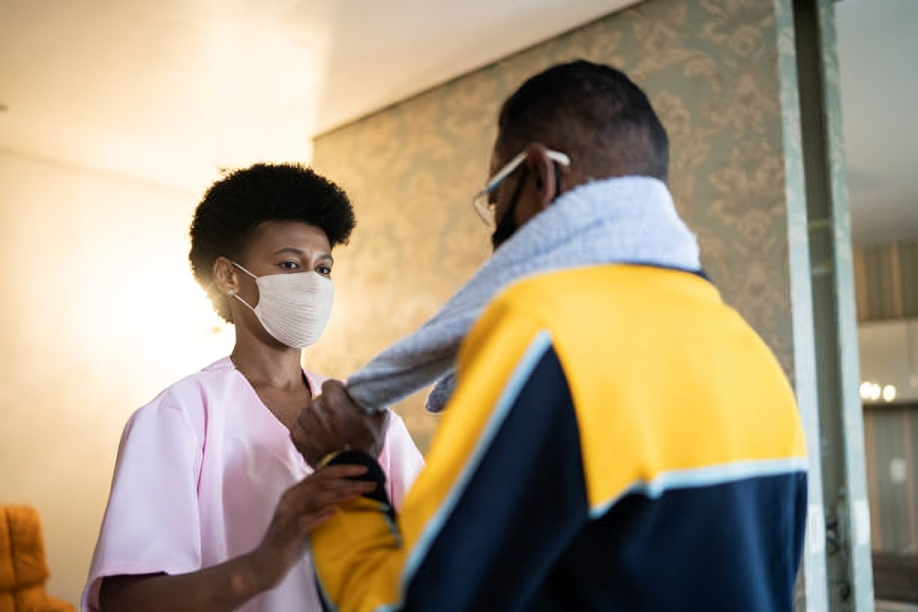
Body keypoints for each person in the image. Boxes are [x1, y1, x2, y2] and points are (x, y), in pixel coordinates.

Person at [291, 61, 808, 611]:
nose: (495, 231)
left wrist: (343, 464)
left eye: (495, 198)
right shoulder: (751, 355)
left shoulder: (547, 334)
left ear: (540, 175)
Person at [81, 163, 425, 612]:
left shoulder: (364, 417)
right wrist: (262, 565)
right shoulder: (181, 416)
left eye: (323, 269)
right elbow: (129, 601)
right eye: (289, 264)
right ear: (228, 276)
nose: (311, 283)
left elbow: (434, 548)